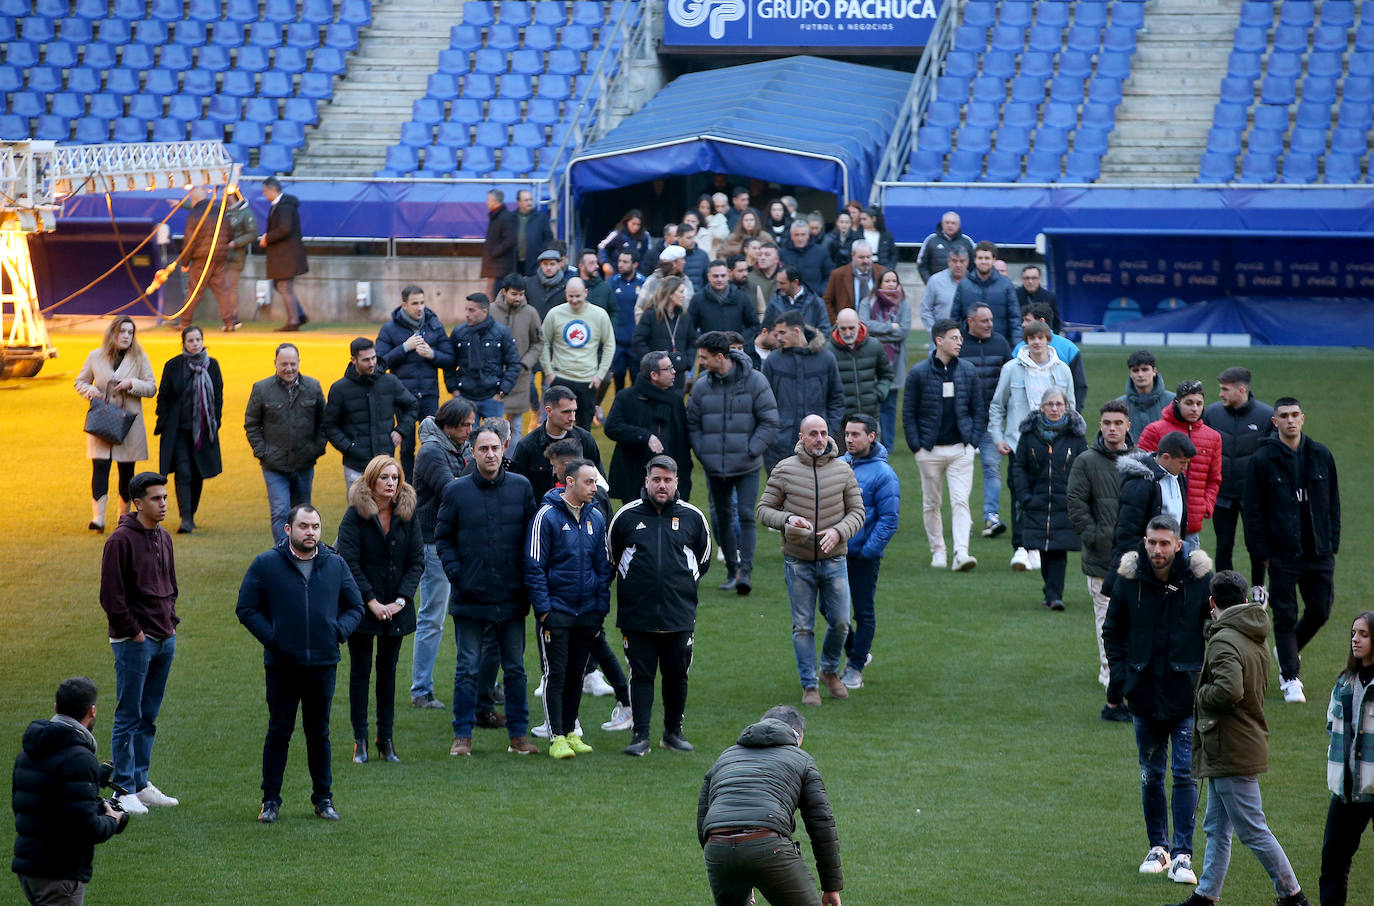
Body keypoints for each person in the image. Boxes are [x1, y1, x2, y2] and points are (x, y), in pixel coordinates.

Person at [1167, 571, 1311, 906]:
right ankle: (1205, 896)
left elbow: (1229, 689)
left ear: (1212, 603)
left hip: (1231, 746)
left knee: (1251, 829)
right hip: (1238, 742)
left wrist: (1200, 694)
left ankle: (1292, 895)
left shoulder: (1224, 639)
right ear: (1245, 600)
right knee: (1217, 827)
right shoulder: (1253, 633)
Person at [1103, 514, 1213, 890]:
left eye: (1165, 543)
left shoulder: (1200, 582)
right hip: (1144, 693)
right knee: (1150, 775)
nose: (1157, 550)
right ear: (1144, 541)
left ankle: (1183, 853)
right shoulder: (1128, 580)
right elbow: (1112, 630)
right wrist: (1121, 678)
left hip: (1185, 694)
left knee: (1184, 773)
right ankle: (1158, 848)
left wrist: (1208, 681)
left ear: (1179, 545)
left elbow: (1216, 632)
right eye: (1152, 542)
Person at [236, 504, 364, 823]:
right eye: (304, 526)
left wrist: (337, 632)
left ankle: (323, 799)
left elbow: (355, 606)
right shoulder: (266, 564)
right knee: (279, 731)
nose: (311, 532)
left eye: (316, 527)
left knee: (318, 733)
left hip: (323, 663)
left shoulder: (335, 564)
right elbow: (246, 608)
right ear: (288, 530)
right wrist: (274, 638)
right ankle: (270, 801)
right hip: (282, 665)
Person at [435, 425, 541, 757]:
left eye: (496, 448)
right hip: (469, 596)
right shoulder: (456, 491)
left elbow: (533, 538)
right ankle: (462, 736)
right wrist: (457, 574)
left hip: (511, 595)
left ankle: (519, 736)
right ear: (473, 451)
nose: (491, 454)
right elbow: (443, 538)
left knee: (515, 668)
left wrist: (525, 580)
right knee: (467, 666)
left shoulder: (522, 488)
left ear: (504, 448)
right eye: (484, 449)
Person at [757, 415, 865, 706]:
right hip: (798, 561)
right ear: (801, 437)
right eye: (813, 434)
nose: (820, 439)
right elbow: (764, 510)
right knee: (802, 626)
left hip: (835, 560)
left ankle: (829, 670)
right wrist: (788, 519)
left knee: (841, 622)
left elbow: (857, 512)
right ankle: (809, 685)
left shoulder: (843, 470)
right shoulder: (784, 469)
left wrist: (838, 531)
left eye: (824, 433)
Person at [608, 455, 712, 756]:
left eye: (668, 480)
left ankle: (673, 733)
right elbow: (612, 558)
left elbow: (702, 561)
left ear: (676, 481)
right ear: (647, 481)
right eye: (657, 480)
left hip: (679, 613)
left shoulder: (693, 518)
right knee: (641, 675)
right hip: (636, 614)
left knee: (677, 674)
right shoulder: (626, 517)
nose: (662, 485)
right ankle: (640, 736)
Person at [1243, 397, 1340, 705]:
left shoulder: (1321, 455)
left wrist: (1332, 544)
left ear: (1303, 418)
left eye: (1295, 414)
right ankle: (1290, 677)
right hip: (1281, 553)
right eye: (1283, 416)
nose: (1290, 420)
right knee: (1285, 616)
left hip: (1318, 551)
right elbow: (1252, 511)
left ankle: (1288, 648)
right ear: (1275, 422)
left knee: (1321, 610)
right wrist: (1263, 553)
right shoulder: (1261, 461)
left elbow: (1333, 503)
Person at [697, 705, 843, 906]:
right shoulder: (801, 758)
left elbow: (703, 819)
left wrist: (734, 868)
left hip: (718, 849)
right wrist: (831, 886)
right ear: (797, 736)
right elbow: (822, 825)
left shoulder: (725, 757)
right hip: (768, 845)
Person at [98, 471, 179, 816]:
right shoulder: (120, 541)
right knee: (129, 714)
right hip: (136, 641)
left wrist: (170, 624)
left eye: (165, 497)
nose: (163, 504)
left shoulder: (163, 537)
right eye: (156, 499)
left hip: (164, 637)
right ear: (138, 503)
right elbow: (111, 597)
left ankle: (141, 783)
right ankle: (124, 787)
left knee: (149, 714)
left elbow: (170, 584)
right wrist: (135, 632)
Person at [335, 455, 424, 765]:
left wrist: (400, 601)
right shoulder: (354, 516)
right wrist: (371, 601)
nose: (391, 483)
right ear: (371, 482)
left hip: (396, 609)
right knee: (360, 673)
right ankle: (360, 741)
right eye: (384, 478)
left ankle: (385, 739)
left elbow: (416, 562)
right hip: (362, 607)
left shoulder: (408, 514)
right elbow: (348, 562)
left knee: (388, 674)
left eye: (395, 478)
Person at [11, 677, 128, 905]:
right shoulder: (79, 758)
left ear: (56, 707)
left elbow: (42, 804)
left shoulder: (28, 751)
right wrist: (113, 820)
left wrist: (93, 797)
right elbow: (87, 827)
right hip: (58, 873)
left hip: (29, 867)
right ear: (92, 711)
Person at [526, 459, 613, 759]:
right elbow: (535, 566)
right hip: (557, 612)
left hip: (587, 612)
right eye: (589, 482)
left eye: (595, 482)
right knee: (556, 674)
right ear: (570, 482)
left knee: (577, 673)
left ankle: (571, 732)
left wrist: (601, 607)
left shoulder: (597, 517)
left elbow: (603, 565)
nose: (594, 488)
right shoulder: (546, 516)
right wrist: (545, 610)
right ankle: (556, 736)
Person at [689, 331, 780, 595]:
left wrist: (752, 450)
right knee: (723, 518)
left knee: (746, 516)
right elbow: (693, 424)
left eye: (704, 358)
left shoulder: (755, 381)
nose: (701, 362)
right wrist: (704, 453)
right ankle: (732, 569)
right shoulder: (702, 385)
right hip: (715, 466)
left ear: (720, 357)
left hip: (747, 465)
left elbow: (769, 420)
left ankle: (745, 572)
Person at [1066, 399, 1137, 719]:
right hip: (1100, 558)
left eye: (1117, 423)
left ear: (1128, 426)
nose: (1112, 428)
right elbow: (1076, 502)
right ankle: (1110, 675)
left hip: (1136, 559)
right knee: (1106, 620)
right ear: (1100, 425)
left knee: (1135, 620)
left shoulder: (1141, 461)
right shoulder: (1086, 461)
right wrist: (1093, 537)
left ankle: (1131, 672)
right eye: (1106, 423)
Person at [987, 320, 1075, 570]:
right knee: (1019, 495)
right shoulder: (1011, 369)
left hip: (1054, 443)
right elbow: (997, 405)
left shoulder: (1062, 370)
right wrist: (998, 437)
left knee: (1047, 496)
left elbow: (1072, 408)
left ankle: (1038, 547)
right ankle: (1021, 548)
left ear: (1048, 338)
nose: (1036, 342)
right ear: (1026, 341)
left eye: (1040, 337)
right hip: (1020, 443)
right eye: (1031, 337)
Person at [902, 318, 985, 572]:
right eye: (955, 338)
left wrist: (972, 442)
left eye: (960, 338)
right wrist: (917, 447)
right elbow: (909, 413)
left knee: (961, 501)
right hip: (929, 451)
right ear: (939, 341)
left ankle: (961, 552)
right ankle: (938, 550)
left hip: (961, 449)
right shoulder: (918, 373)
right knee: (931, 503)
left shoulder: (969, 371)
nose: (960, 342)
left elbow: (979, 410)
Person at [409, 398, 475, 711]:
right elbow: (454, 491)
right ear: (448, 425)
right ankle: (421, 689)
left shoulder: (459, 447)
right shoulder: (433, 451)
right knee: (432, 617)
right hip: (434, 542)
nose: (469, 430)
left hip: (455, 540)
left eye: (472, 424)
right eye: (464, 425)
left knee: (471, 613)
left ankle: (481, 682)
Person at [74, 316, 156, 533]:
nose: (126, 336)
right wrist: (90, 390)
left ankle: (123, 518)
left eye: (130, 332)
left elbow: (151, 387)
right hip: (102, 421)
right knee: (100, 467)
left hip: (128, 425)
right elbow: (80, 381)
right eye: (122, 332)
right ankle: (98, 518)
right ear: (113, 334)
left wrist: (132, 384)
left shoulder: (140, 358)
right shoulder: (95, 356)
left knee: (126, 471)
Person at [1011, 389, 1087, 611]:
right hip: (1037, 500)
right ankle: (1050, 591)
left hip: (1065, 502)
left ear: (1066, 407)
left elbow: (1083, 467)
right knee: (1043, 548)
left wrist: (1077, 497)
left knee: (1058, 548)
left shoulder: (1075, 435)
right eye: (1050, 404)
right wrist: (1025, 496)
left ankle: (1055, 596)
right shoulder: (1029, 435)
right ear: (1042, 407)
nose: (1054, 409)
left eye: (1059, 404)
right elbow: (1019, 467)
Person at [244, 342, 328, 543]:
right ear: (275, 363)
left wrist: (316, 449)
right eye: (284, 364)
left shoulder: (313, 387)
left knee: (302, 513)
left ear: (299, 362)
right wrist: (262, 452)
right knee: (280, 511)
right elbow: (251, 424)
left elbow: (324, 422)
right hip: (274, 464)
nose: (289, 369)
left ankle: (302, 550)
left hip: (305, 463)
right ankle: (284, 554)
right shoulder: (261, 389)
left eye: (292, 364)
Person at [838, 414, 898, 691]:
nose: (849, 439)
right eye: (847, 434)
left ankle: (855, 666)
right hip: (834, 551)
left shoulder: (884, 474)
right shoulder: (838, 466)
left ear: (871, 436)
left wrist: (867, 551)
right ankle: (857, 651)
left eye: (856, 434)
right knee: (831, 609)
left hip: (862, 555)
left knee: (862, 611)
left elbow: (889, 519)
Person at [1319, 610, 1374, 906]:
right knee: (1333, 864)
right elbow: (1332, 726)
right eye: (1354, 633)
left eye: (1364, 634)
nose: (1355, 639)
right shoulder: (1344, 682)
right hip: (1346, 791)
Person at [375, 284, 455, 480]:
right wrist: (404, 347)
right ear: (404, 305)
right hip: (403, 397)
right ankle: (407, 486)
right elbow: (379, 364)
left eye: (422, 303)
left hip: (429, 395)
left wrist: (432, 354)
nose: (420, 308)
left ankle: (432, 482)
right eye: (414, 304)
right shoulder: (389, 329)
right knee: (406, 446)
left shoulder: (434, 325)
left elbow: (451, 359)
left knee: (434, 444)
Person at [1202, 367, 1274, 585]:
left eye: (1225, 389)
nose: (1220, 394)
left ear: (1241, 390)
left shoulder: (1265, 416)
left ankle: (1259, 587)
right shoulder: (1211, 414)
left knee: (1255, 544)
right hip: (1222, 494)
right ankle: (1226, 590)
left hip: (1253, 496)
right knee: (1223, 545)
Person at [323, 337, 419, 491]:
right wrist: (349, 447)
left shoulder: (390, 382)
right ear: (353, 360)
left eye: (374, 357)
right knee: (360, 513)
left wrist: (401, 431)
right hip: (356, 466)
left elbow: (412, 405)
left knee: (387, 512)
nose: (372, 363)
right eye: (366, 360)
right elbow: (329, 425)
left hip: (386, 465)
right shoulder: (340, 389)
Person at [154, 326, 223, 534]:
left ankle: (191, 514)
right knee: (183, 471)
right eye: (190, 340)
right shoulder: (173, 365)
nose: (194, 344)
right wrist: (164, 421)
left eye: (197, 340)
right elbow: (163, 395)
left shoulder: (213, 365)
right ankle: (185, 519)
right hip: (178, 430)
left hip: (203, 429)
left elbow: (218, 396)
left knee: (197, 472)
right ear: (183, 343)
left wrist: (215, 422)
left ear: (203, 341)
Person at [1137, 379, 1224, 544]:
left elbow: (1214, 478)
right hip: (1157, 525)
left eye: (1199, 403)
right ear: (1177, 403)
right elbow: (1140, 471)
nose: (1195, 408)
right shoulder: (1154, 430)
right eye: (1189, 403)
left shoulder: (1213, 437)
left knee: (1189, 568)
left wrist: (1207, 505)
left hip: (1191, 527)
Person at [763, 310, 845, 472]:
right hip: (779, 446)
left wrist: (829, 431)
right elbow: (764, 404)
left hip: (818, 444)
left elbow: (836, 399)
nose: (777, 338)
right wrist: (773, 436)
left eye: (782, 333)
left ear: (796, 331)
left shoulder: (826, 359)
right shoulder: (773, 361)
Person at [605, 352, 692, 504]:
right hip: (634, 475)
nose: (674, 372)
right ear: (654, 375)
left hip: (669, 477)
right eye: (668, 368)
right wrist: (645, 436)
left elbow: (682, 439)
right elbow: (612, 427)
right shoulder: (627, 397)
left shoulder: (675, 400)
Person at [961, 302, 1013, 538]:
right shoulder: (958, 343)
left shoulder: (1001, 343)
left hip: (992, 420)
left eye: (991, 319)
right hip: (963, 420)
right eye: (984, 320)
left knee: (992, 467)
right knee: (960, 470)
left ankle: (991, 517)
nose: (990, 324)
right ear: (971, 321)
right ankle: (963, 519)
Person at [540, 276, 616, 431]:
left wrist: (600, 375)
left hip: (587, 380)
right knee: (557, 427)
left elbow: (609, 344)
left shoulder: (599, 314)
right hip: (560, 378)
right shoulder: (554, 314)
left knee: (584, 429)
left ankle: (582, 456)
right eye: (570, 296)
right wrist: (549, 373)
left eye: (578, 296)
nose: (574, 300)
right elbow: (542, 342)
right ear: (565, 294)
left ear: (586, 293)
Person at [509, 384, 603, 499]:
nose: (572, 418)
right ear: (548, 411)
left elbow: (600, 485)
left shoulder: (585, 440)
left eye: (574, 411)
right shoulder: (527, 446)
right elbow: (517, 490)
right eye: (566, 412)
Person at [856, 268, 910, 451]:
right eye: (887, 281)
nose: (891, 284)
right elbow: (863, 327)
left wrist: (878, 334)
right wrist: (890, 327)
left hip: (895, 364)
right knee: (870, 404)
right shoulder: (866, 302)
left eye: (894, 281)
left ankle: (888, 446)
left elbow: (903, 332)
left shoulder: (904, 305)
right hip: (870, 362)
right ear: (879, 283)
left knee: (890, 406)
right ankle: (869, 442)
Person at [447, 291, 521, 421]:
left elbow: (514, 363)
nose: (467, 314)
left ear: (484, 312)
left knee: (493, 439)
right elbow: (449, 363)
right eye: (466, 310)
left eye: (472, 310)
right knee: (467, 440)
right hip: (465, 398)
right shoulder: (459, 332)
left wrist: (502, 391)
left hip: (492, 398)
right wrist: (454, 390)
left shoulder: (502, 333)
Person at [491, 274, 544, 448]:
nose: (519, 298)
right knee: (493, 428)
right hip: (493, 378)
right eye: (514, 294)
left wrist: (525, 363)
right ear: (504, 291)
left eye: (521, 294)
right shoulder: (490, 311)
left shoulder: (530, 313)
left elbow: (538, 342)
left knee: (516, 428)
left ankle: (511, 467)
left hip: (520, 378)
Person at [177, 185, 236, 332]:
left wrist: (185, 262)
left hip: (202, 258)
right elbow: (229, 233)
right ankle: (230, 322)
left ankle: (184, 322)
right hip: (220, 256)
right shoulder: (219, 212)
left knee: (194, 290)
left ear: (195, 199)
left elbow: (189, 241)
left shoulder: (195, 214)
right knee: (222, 290)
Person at [259, 176, 309, 331]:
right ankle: (299, 316)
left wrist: (268, 238)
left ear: (273, 190)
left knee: (283, 285)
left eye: (265, 191)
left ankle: (294, 321)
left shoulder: (284, 207)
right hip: (286, 254)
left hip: (286, 254)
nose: (264, 194)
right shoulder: (283, 205)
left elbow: (284, 228)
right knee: (280, 284)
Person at [1016, 301, 1086, 411]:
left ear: (1041, 322)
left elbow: (1079, 386)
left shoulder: (1069, 349)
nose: (1023, 324)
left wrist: (1073, 417)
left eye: (1027, 320)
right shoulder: (1019, 349)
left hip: (1058, 418)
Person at [633, 276, 697, 392]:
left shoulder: (685, 316)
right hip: (656, 376)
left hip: (678, 374)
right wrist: (652, 363)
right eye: (681, 292)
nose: (684, 296)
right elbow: (638, 340)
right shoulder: (651, 315)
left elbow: (692, 341)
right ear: (670, 293)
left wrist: (687, 362)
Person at [950, 241, 1021, 346]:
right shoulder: (964, 285)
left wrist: (1016, 347)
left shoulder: (1006, 284)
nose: (983, 262)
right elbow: (955, 318)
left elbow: (1014, 319)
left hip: (999, 344)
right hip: (969, 344)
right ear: (974, 260)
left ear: (994, 260)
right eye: (980, 258)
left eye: (987, 258)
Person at [828, 309, 893, 420]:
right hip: (840, 419)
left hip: (870, 416)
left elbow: (887, 375)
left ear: (859, 324)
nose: (847, 333)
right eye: (843, 328)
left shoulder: (874, 346)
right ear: (837, 325)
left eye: (851, 328)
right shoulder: (828, 351)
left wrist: (879, 394)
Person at [690, 259, 759, 347]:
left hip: (735, 351)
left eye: (723, 275)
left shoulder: (741, 297)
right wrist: (706, 342)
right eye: (715, 276)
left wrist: (738, 340)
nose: (719, 279)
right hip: (709, 352)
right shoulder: (698, 299)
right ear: (708, 277)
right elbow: (690, 329)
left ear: (728, 275)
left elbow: (754, 325)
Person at [1117, 349, 1176, 441]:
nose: (1140, 374)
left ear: (1154, 371)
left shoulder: (1173, 401)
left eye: (1145, 369)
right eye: (1135, 370)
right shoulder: (1119, 404)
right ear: (1130, 373)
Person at [608, 251, 646, 393]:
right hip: (618, 342)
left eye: (625, 262)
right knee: (618, 378)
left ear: (634, 264)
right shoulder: (612, 282)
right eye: (619, 261)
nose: (620, 265)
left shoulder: (644, 283)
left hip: (636, 342)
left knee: (637, 380)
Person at [222, 187, 258, 331]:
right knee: (225, 288)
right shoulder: (224, 211)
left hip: (235, 256)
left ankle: (233, 317)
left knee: (231, 288)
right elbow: (204, 207)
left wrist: (236, 242)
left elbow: (253, 233)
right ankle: (229, 317)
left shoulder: (245, 213)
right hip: (223, 255)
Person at [764, 266, 831, 334]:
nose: (779, 286)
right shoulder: (774, 302)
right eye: (778, 282)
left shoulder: (816, 303)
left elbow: (825, 331)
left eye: (782, 283)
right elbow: (766, 328)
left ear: (795, 282)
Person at [916, 210, 976, 282]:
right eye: (947, 222)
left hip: (962, 285)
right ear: (942, 224)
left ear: (959, 225)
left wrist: (969, 282)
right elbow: (922, 265)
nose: (950, 225)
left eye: (953, 223)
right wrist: (930, 282)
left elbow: (975, 264)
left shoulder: (967, 241)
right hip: (937, 285)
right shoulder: (931, 240)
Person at [919, 245, 968, 330]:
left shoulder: (973, 282)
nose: (958, 265)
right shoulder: (935, 281)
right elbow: (926, 309)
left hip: (967, 338)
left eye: (962, 261)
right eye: (954, 261)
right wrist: (934, 333)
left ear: (967, 262)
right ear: (948, 261)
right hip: (940, 337)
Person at [779, 219, 832, 298]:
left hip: (815, 298)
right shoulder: (782, 253)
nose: (800, 238)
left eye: (803, 234)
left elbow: (829, 275)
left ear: (808, 235)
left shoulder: (821, 252)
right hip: (789, 299)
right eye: (796, 235)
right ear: (791, 236)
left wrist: (821, 291)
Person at [481, 188, 517, 297]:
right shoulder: (496, 216)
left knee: (494, 297)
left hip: (499, 268)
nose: (486, 202)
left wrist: (494, 252)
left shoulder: (505, 217)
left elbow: (510, 240)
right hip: (495, 267)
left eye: (488, 199)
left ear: (495, 200)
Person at [597, 209, 653, 275]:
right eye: (633, 224)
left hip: (637, 274)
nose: (635, 227)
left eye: (638, 225)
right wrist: (605, 263)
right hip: (616, 272)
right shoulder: (617, 233)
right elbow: (602, 247)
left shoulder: (645, 236)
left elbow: (649, 254)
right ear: (627, 222)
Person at [513, 188, 554, 276]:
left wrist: (540, 254)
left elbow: (549, 239)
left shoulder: (541, 218)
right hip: (514, 264)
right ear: (519, 202)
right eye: (526, 200)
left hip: (535, 263)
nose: (529, 202)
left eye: (531, 199)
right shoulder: (511, 217)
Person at [526, 247, 570, 318]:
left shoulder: (566, 286)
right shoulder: (528, 283)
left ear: (559, 265)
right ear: (540, 265)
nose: (548, 268)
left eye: (552, 264)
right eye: (545, 264)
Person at [1015, 264, 1060, 332]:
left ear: (1040, 279)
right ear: (1022, 279)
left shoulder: (1050, 297)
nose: (1030, 281)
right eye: (1027, 278)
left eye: (1034, 278)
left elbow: (1055, 323)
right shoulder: (1014, 296)